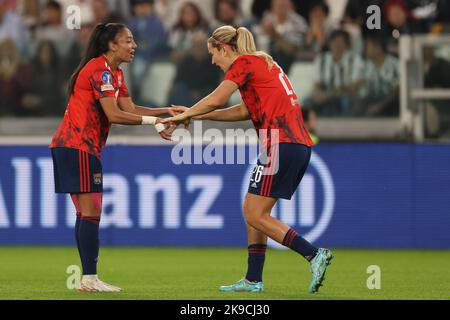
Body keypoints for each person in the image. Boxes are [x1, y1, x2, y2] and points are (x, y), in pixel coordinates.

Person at [163, 25, 333, 294]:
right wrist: (194, 115)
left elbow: (218, 98)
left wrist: (182, 116)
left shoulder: (243, 63)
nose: (212, 60)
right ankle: (253, 280)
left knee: (254, 212)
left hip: (280, 143)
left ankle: (313, 254)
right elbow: (244, 110)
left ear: (225, 48)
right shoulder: (262, 63)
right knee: (253, 211)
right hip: (294, 144)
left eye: (213, 53)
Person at [49, 23, 175, 292]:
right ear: (112, 45)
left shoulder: (114, 73)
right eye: (128, 41)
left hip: (76, 146)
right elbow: (115, 115)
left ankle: (88, 280)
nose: (134, 46)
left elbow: (129, 108)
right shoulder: (99, 70)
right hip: (77, 145)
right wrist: (155, 122)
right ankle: (90, 280)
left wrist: (167, 112)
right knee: (91, 210)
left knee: (86, 212)